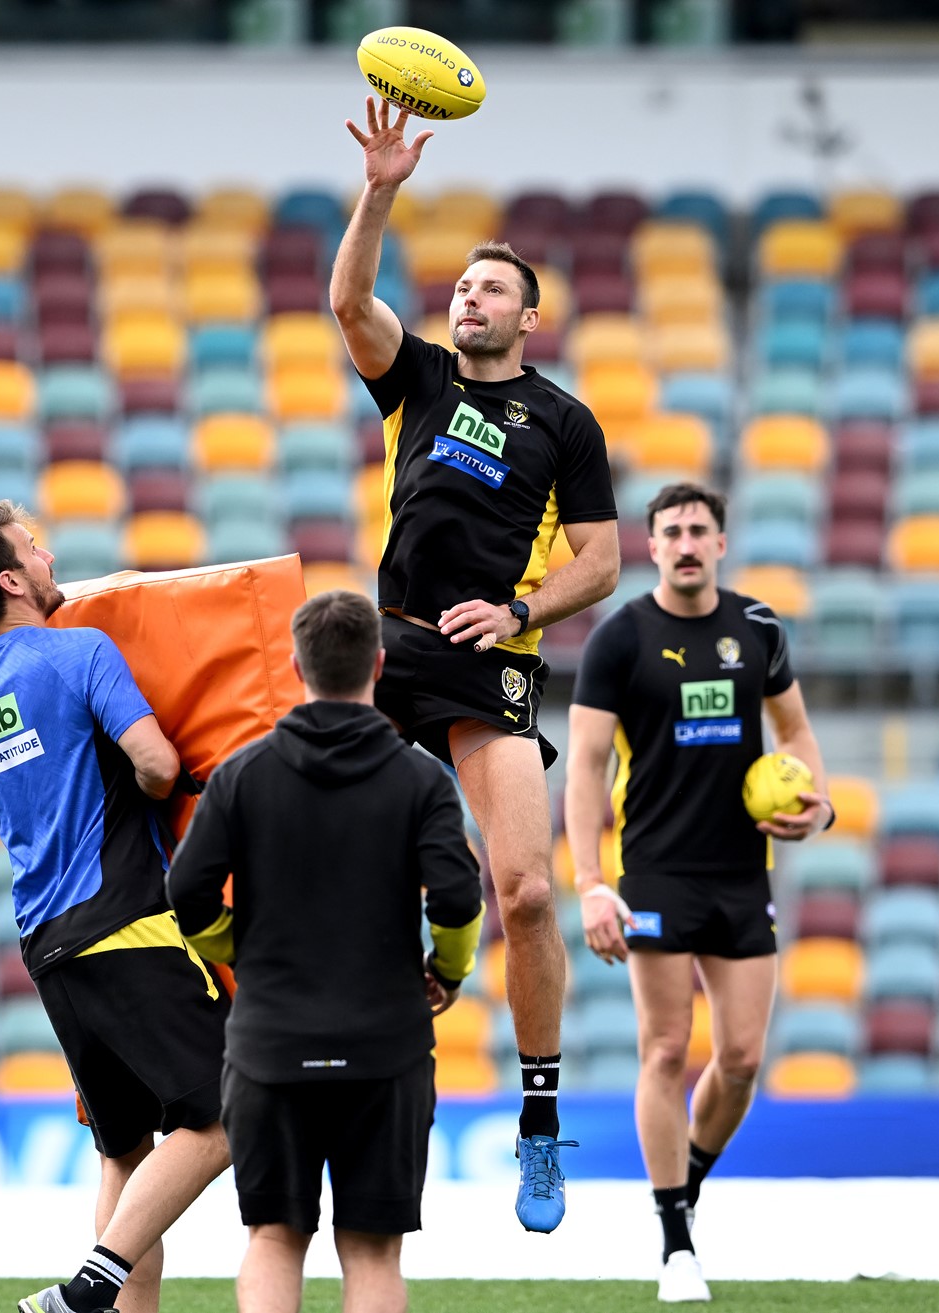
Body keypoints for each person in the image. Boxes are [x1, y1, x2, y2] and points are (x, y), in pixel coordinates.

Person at [331, 96, 622, 1231]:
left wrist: (513, 609)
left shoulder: (563, 421)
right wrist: (381, 188)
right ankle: (362, 1062)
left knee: (529, 891)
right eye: (461, 286)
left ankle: (538, 1124)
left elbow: (598, 560)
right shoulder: (420, 378)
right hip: (389, 641)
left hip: (488, 656)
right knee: (344, 862)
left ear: (530, 319)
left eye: (491, 289)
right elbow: (349, 300)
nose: (468, 296)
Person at [0, 500, 229, 1313]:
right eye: (35, 548)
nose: (51, 555)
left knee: (124, 1155)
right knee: (226, 1111)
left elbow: (11, 809)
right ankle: (91, 1288)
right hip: (125, 917)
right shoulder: (79, 651)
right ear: (11, 579)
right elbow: (159, 766)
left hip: (45, 942)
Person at [166, 589, 482, 1313]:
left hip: (271, 1044)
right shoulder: (421, 777)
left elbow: (185, 895)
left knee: (275, 1237)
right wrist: (447, 970)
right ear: (377, 663)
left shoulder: (243, 774)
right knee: (371, 1248)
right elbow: (460, 898)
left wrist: (239, 948)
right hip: (386, 1044)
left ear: (296, 665)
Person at [564, 482, 833, 1304]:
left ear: (721, 542)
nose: (685, 542)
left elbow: (794, 730)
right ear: (652, 546)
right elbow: (584, 764)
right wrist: (589, 882)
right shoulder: (620, 639)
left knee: (744, 1057)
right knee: (666, 1049)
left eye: (699, 530)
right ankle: (675, 1236)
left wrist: (819, 803)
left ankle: (687, 1183)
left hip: (741, 872)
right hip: (653, 872)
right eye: (671, 531)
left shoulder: (756, 629)